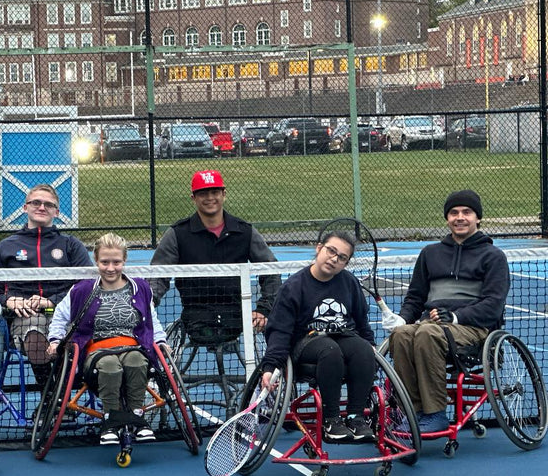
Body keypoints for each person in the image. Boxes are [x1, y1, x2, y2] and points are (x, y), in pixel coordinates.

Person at [388, 190, 509, 433]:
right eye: (454, 213)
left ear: (478, 218)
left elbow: (493, 305)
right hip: (431, 325)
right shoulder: (430, 254)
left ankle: (435, 414)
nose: (460, 217)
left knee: (427, 334)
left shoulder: (493, 257)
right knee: (401, 335)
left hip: (474, 330)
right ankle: (411, 412)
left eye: (467, 212)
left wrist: (456, 317)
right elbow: (415, 297)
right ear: (447, 218)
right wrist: (401, 318)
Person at [47, 233, 166, 445]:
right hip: (96, 350)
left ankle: (136, 416)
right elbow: (60, 316)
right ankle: (111, 419)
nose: (110, 268)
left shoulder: (140, 288)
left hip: (133, 346)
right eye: (105, 262)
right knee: (109, 365)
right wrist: (55, 340)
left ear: (124, 261)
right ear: (96, 260)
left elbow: (152, 321)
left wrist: (161, 342)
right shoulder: (81, 290)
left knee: (137, 362)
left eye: (116, 262)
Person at [259, 231, 376, 442]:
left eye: (342, 258)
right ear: (319, 248)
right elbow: (280, 331)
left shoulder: (349, 283)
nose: (334, 259)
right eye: (331, 251)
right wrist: (270, 367)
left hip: (343, 336)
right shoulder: (294, 287)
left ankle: (355, 417)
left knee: (363, 349)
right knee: (330, 350)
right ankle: (331, 420)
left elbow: (362, 322)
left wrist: (371, 347)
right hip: (306, 344)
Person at [149, 169, 280, 345]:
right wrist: (147, 303)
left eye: (215, 192)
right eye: (203, 193)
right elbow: (158, 276)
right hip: (195, 317)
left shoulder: (245, 232)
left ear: (224, 194)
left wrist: (264, 309)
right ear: (193, 198)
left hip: (237, 316)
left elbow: (271, 270)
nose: (210, 198)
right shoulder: (177, 234)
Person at [0, 184, 92, 386]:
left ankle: (63, 394)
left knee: (72, 340)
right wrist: (9, 301)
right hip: (25, 319)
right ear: (25, 207)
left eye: (48, 204)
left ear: (56, 212)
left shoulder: (71, 245)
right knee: (35, 330)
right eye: (36, 202)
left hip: (67, 315)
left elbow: (88, 288)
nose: (42, 207)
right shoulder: (5, 247)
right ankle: (50, 397)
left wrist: (51, 302)